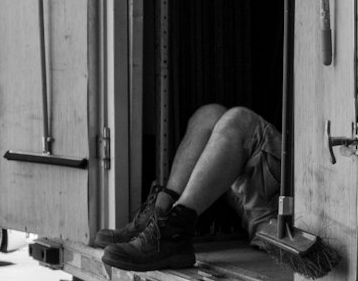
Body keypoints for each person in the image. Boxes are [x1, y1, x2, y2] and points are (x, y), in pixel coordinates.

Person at [92, 104, 281, 272]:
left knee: (239, 119)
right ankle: (160, 214)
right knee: (209, 114)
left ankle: (172, 231)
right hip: (263, 198)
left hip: (284, 211)